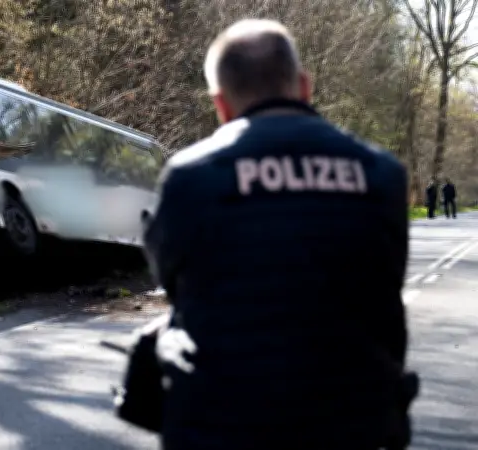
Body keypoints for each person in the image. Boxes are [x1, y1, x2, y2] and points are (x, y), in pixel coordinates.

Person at [143, 19, 413, 450]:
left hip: (221, 425)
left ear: (220, 105)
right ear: (304, 86)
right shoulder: (382, 173)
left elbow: (173, 282)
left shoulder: (188, 177)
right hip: (353, 421)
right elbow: (384, 285)